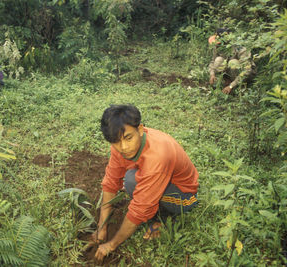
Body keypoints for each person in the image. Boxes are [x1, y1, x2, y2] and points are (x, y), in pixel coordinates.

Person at [90, 104, 199, 261]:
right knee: (130, 180)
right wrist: (102, 226)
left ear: (140, 129)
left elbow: (139, 209)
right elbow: (110, 183)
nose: (124, 147)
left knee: (134, 185)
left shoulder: (158, 156)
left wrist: (111, 245)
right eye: (116, 142)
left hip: (184, 196)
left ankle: (165, 218)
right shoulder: (120, 147)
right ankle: (156, 209)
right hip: (157, 178)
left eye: (128, 138)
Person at [208, 28, 255, 94]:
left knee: (233, 62)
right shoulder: (218, 46)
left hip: (242, 76)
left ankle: (238, 87)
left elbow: (247, 71)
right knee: (218, 60)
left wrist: (231, 86)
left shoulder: (240, 48)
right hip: (229, 72)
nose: (217, 45)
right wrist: (212, 74)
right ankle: (224, 81)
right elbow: (213, 61)